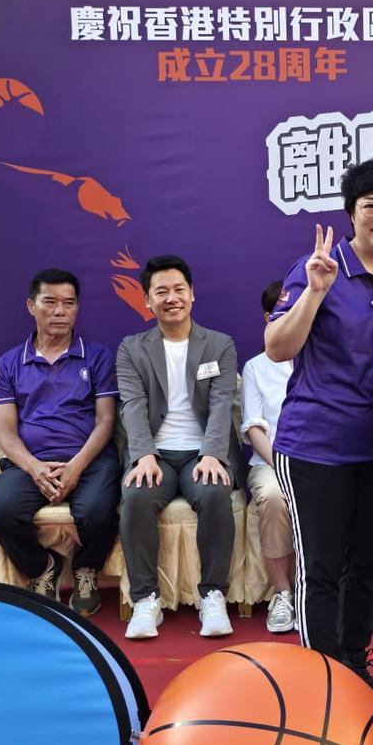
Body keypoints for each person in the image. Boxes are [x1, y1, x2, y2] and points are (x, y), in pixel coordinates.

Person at [266, 158, 373, 691]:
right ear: (351, 213)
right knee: (322, 567)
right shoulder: (319, 268)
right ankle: (323, 683)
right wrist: (314, 291)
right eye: (370, 206)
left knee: (363, 566)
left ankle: (354, 669)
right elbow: (277, 347)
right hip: (315, 446)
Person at [115, 255, 240, 639]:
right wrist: (143, 455)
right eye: (161, 292)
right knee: (136, 496)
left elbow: (222, 403)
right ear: (147, 300)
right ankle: (145, 600)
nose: (172, 298)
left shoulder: (219, 344)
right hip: (156, 453)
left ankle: (213, 595)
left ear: (192, 294)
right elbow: (132, 405)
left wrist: (213, 453)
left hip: (203, 450)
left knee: (214, 492)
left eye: (179, 289)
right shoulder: (132, 348)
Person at [0, 268, 121, 614]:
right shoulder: (9, 363)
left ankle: (86, 568)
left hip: (90, 459)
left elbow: (106, 421)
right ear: (31, 306)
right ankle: (42, 567)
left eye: (69, 303)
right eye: (50, 302)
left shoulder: (97, 357)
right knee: (2, 513)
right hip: (30, 461)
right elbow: (6, 432)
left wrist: (76, 466)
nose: (60, 311)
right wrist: (34, 468)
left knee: (99, 512)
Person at [241, 279, 297, 634]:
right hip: (270, 462)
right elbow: (253, 427)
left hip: (321, 461)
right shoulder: (256, 367)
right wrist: (283, 465)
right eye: (283, 311)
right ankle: (283, 593)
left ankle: (318, 592)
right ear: (268, 318)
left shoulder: (325, 360)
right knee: (275, 495)